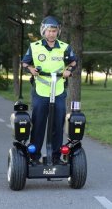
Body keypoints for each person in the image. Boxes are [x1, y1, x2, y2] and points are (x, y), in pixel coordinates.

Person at [21, 16, 77, 164]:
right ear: (43, 31)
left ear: (58, 32)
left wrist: (69, 70)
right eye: (49, 31)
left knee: (57, 124)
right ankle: (34, 156)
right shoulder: (35, 47)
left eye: (54, 31)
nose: (51, 33)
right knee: (38, 124)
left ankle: (55, 157)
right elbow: (24, 63)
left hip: (58, 91)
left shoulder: (65, 47)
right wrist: (31, 69)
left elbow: (73, 62)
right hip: (41, 91)